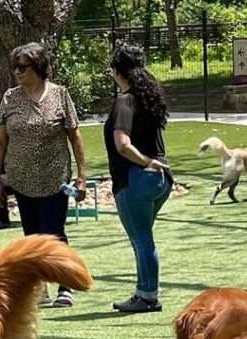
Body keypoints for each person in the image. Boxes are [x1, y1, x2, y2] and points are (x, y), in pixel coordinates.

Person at [0, 43, 87, 308]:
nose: (17, 72)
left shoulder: (59, 95)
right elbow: (0, 143)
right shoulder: (10, 98)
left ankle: (65, 285)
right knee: (32, 237)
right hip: (21, 179)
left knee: (54, 233)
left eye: (22, 67)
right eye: (15, 67)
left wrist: (81, 176)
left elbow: (75, 136)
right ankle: (39, 289)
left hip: (54, 177)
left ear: (38, 67)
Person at [105, 44, 172, 314]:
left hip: (136, 179)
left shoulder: (125, 101)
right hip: (162, 180)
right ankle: (145, 292)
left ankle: (146, 296)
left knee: (142, 239)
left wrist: (144, 161)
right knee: (144, 236)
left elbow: (122, 144)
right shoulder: (150, 97)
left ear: (117, 72)